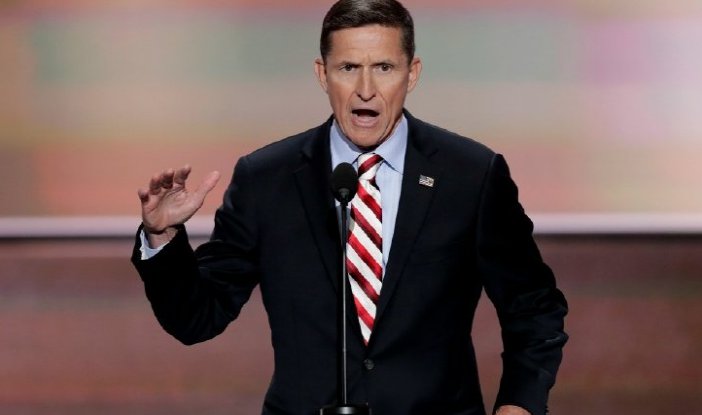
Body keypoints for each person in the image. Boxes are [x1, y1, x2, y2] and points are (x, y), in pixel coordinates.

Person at [131, 1, 568, 414]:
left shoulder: (470, 175)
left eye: (384, 68)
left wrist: (518, 405)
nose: (366, 90)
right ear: (323, 74)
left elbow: (533, 307)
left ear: (412, 73)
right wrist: (162, 237)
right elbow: (197, 319)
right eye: (348, 68)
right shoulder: (266, 179)